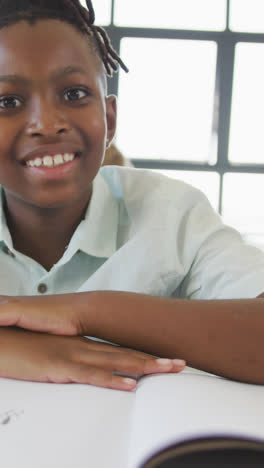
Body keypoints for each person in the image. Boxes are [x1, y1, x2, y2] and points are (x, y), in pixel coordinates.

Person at [0, 0, 263, 392]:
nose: (47, 124)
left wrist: (85, 312)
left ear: (110, 119)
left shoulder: (172, 213)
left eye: (73, 93)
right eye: (8, 102)